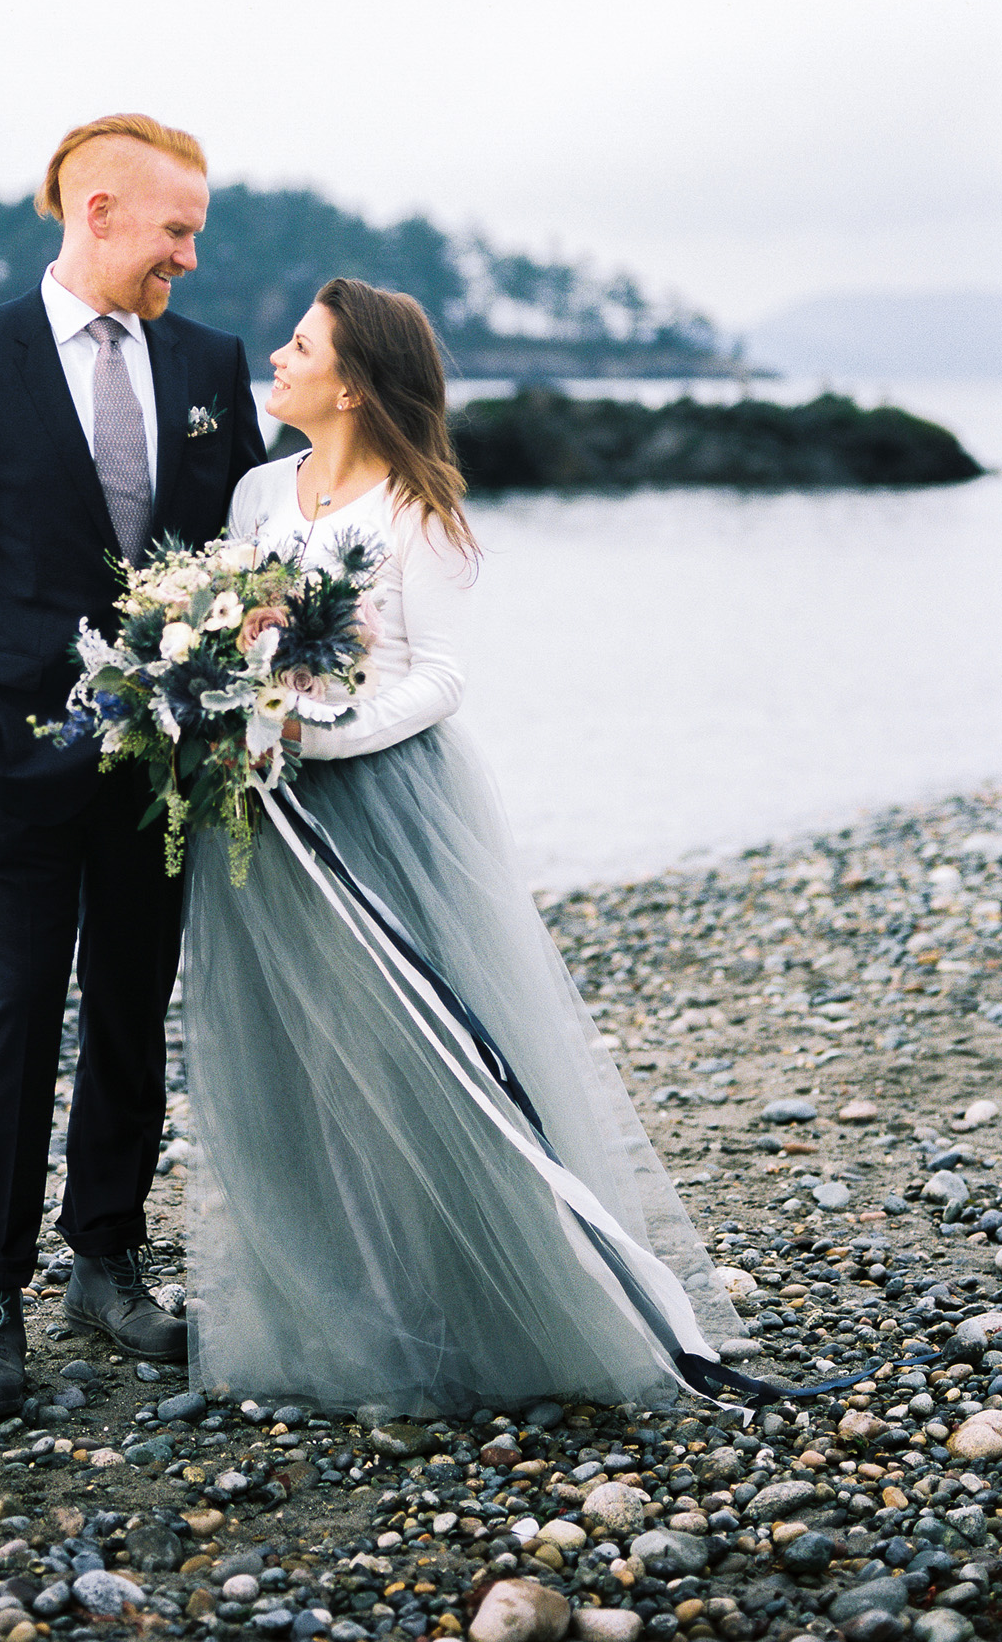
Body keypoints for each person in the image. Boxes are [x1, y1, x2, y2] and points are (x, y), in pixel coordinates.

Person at [180, 277, 741, 1415]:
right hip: (263, 812)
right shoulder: (254, 493)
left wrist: (329, 732)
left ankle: (490, 1312)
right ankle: (335, 1313)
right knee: (289, 1061)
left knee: (419, 1058)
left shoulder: (412, 510)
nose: (275, 361)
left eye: (299, 347)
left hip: (384, 804)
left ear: (351, 382)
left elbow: (439, 676)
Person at [0, 114, 265, 1419]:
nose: (193, 257)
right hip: (11, 756)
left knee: (127, 1013)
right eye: (177, 229)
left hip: (162, 765)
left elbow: (248, 561)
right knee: (15, 1017)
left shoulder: (211, 363)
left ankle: (105, 1260)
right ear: (98, 211)